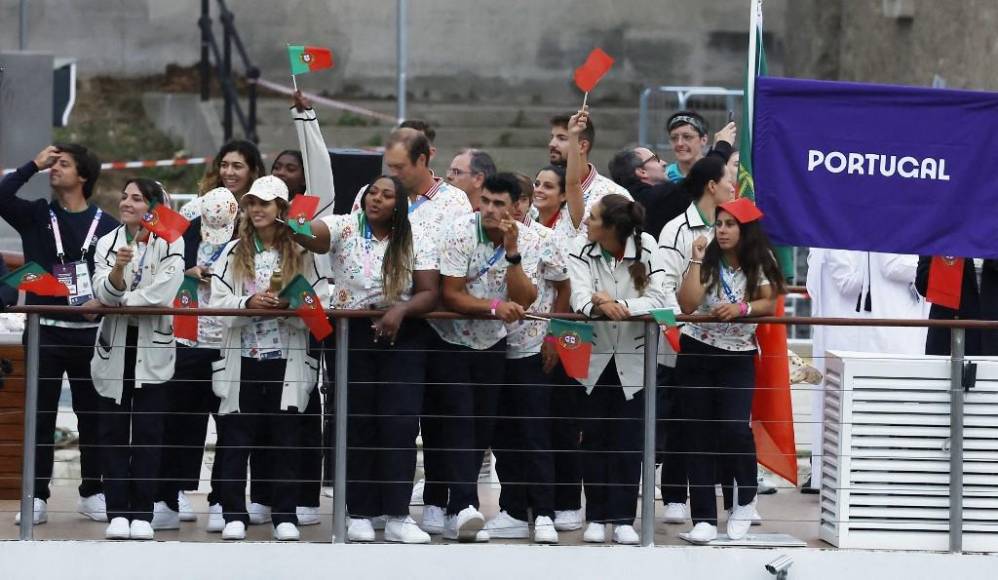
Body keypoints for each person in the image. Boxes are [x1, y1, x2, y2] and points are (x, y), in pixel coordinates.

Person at [296, 175, 439, 544]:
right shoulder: (344, 226)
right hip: (352, 335)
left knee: (400, 425)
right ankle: (358, 511)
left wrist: (401, 311)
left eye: (386, 195)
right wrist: (294, 220)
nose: (376, 199)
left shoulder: (415, 237)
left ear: (400, 205)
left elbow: (428, 293)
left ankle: (396, 515)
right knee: (356, 423)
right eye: (372, 192)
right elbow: (309, 235)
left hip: (403, 335)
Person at [1, 144, 119, 525]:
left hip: (90, 334)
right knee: (40, 415)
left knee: (94, 416)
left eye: (62, 164)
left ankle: (93, 491)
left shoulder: (107, 226)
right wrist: (31, 166)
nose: (53, 169)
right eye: (51, 164)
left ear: (83, 176)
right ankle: (35, 496)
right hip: (43, 330)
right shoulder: (37, 215)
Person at [209, 175, 328, 542]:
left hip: (286, 359)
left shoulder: (304, 251)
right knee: (234, 438)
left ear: (282, 208)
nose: (257, 209)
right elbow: (215, 304)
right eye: (252, 203)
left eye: (265, 203)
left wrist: (291, 306)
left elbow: (321, 300)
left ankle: (285, 515)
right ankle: (233, 513)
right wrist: (247, 303)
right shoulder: (231, 252)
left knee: (286, 439)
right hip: (241, 360)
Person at [429, 173, 540, 542]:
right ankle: (462, 506)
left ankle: (454, 507)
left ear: (517, 207)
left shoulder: (524, 237)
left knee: (482, 426)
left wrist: (513, 252)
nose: (489, 210)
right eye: (486, 201)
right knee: (459, 420)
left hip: (492, 344)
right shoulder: (461, 230)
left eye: (498, 204)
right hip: (452, 342)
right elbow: (451, 294)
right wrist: (494, 307)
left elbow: (524, 298)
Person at [675, 197, 786, 544]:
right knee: (697, 436)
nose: (721, 231)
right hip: (697, 351)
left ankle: (744, 499)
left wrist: (742, 308)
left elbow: (770, 300)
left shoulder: (761, 259)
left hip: (737, 354)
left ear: (745, 230)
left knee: (734, 429)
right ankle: (704, 518)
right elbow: (688, 304)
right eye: (718, 224)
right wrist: (695, 257)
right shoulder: (707, 258)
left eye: (729, 225)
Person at [567, 194, 671, 545]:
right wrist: (597, 304)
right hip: (593, 358)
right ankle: (596, 516)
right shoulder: (580, 248)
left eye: (593, 218)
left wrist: (618, 304)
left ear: (611, 228)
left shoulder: (648, 246)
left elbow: (660, 301)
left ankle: (624, 518)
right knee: (593, 437)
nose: (587, 223)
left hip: (635, 358)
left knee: (629, 441)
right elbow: (579, 298)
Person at [91, 178, 185, 540]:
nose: (126, 202)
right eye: (124, 196)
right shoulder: (107, 243)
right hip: (114, 346)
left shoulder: (170, 241)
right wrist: (118, 271)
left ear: (152, 207)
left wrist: (118, 303)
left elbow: (165, 291)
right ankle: (117, 511)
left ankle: (142, 512)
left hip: (153, 348)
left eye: (136, 198)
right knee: (113, 431)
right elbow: (102, 288)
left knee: (148, 432)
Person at [485, 172, 570, 544]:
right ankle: (514, 510)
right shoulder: (479, 236)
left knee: (535, 433)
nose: (500, 210)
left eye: (509, 202)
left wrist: (555, 335)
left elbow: (563, 286)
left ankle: (545, 513)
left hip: (532, 347)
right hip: (490, 346)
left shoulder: (545, 239)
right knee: (502, 434)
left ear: (521, 205)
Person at [152, 187, 238, 531]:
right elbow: (152, 253)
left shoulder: (245, 232)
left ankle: (222, 501)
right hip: (187, 338)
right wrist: (185, 270)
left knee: (230, 426)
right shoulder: (183, 221)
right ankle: (168, 499)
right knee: (179, 423)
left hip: (230, 341)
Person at [656, 155, 736, 522]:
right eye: (729, 178)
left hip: (726, 343)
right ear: (711, 185)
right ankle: (673, 496)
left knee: (724, 423)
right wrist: (679, 326)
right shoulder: (677, 229)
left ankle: (735, 499)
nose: (733, 184)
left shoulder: (733, 228)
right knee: (680, 420)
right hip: (683, 337)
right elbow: (665, 287)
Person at [608, 133, 733, 239]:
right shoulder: (650, 199)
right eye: (655, 158)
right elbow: (700, 179)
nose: (664, 163)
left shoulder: (630, 197)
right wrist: (723, 146)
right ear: (642, 172)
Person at [547, 111, 632, 218]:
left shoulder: (613, 194)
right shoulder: (538, 191)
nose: (552, 144)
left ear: (582, 146)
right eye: (552, 137)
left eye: (562, 138)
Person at [916, 256, 998, 356]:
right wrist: (949, 259)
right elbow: (922, 284)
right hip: (948, 336)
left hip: (992, 334)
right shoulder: (941, 240)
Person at [183, 140, 265, 221]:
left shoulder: (266, 209)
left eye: (237, 166)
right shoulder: (205, 204)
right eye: (224, 165)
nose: (229, 172)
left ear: (253, 171)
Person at [663, 111, 735, 183]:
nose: (679, 143)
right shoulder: (663, 176)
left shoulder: (725, 176)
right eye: (674, 138)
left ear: (703, 140)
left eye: (687, 137)